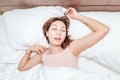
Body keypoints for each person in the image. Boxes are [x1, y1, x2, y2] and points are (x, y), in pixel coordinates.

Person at [18, 7, 109, 71]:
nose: (59, 33)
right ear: (47, 33)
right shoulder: (43, 54)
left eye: (63, 30)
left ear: (65, 35)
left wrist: (77, 16)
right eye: (54, 29)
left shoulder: (72, 48)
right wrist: (28, 51)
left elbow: (103, 30)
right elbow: (22, 68)